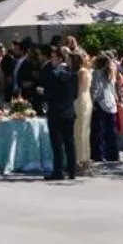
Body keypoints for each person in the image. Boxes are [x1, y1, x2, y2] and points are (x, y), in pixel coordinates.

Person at [41, 49, 79, 180]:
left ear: (60, 59)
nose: (51, 60)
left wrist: (43, 92)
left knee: (57, 143)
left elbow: (50, 94)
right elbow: (75, 94)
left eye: (53, 58)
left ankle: (58, 171)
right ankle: (72, 170)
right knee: (69, 142)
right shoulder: (73, 74)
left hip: (56, 112)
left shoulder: (54, 74)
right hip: (69, 111)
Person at [90, 54, 121, 164]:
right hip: (111, 103)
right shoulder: (111, 73)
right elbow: (113, 89)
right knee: (111, 130)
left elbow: (96, 89)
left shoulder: (96, 73)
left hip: (101, 102)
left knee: (99, 131)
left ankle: (99, 154)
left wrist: (92, 101)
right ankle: (113, 154)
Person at [72, 49, 94, 170]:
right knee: (85, 130)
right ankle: (85, 159)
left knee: (78, 131)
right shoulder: (87, 70)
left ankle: (79, 159)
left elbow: (78, 88)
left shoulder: (81, 72)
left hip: (80, 100)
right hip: (87, 99)